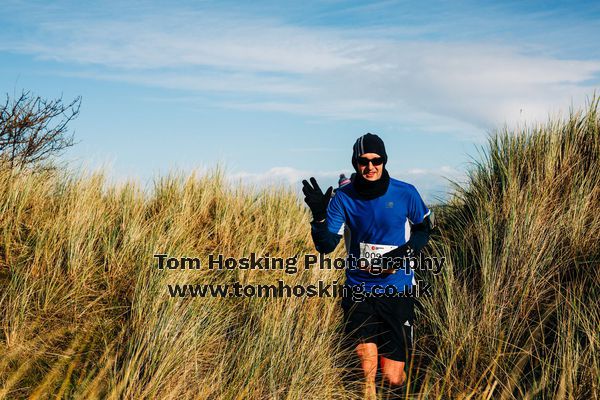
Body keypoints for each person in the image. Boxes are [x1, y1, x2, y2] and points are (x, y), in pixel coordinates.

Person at [302, 133, 433, 399]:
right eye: (363, 161)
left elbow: (423, 229)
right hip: (359, 290)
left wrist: (403, 254)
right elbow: (326, 245)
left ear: (385, 161)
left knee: (392, 376)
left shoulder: (405, 192)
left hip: (397, 291)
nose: (370, 166)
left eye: (377, 160)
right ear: (355, 163)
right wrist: (318, 217)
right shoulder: (343, 197)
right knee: (366, 373)